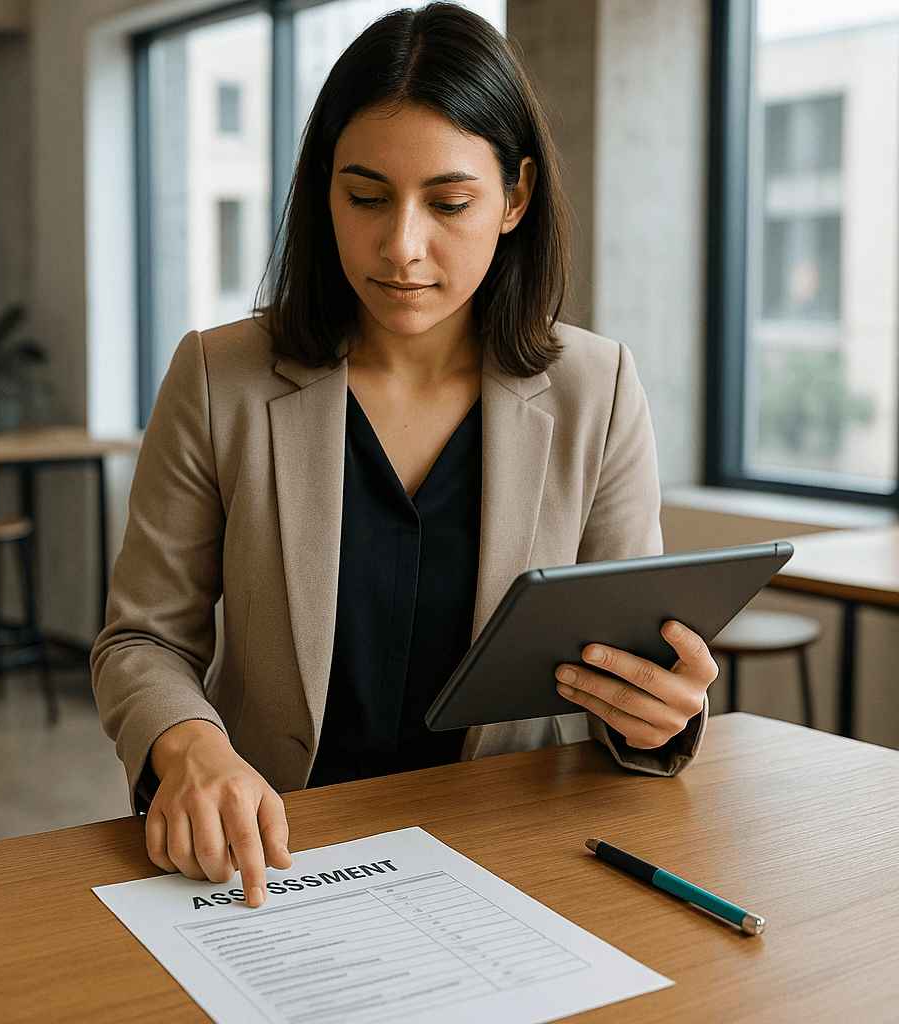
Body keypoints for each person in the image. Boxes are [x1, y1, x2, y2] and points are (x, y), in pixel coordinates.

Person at [90, 2, 718, 911]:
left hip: (508, 861)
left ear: (515, 198)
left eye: (450, 203)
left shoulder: (599, 387)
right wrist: (190, 744)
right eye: (366, 197)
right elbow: (142, 638)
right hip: (273, 858)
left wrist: (657, 713)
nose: (401, 247)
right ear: (325, 193)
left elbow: (627, 659)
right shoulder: (220, 377)